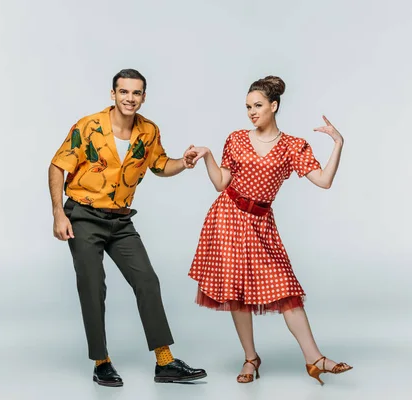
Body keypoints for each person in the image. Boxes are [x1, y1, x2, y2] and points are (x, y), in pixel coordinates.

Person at [186, 75, 352, 385]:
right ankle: (251, 358)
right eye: (248, 106)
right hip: (227, 217)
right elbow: (221, 183)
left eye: (258, 105)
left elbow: (324, 181)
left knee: (287, 290)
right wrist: (208, 155)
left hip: (261, 224)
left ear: (274, 106)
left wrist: (339, 143)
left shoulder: (292, 146)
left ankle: (315, 359)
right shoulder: (235, 138)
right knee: (235, 293)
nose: (251, 112)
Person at [48, 69, 206, 387]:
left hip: (120, 220)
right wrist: (58, 214)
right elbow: (57, 165)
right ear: (113, 94)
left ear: (143, 97)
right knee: (93, 285)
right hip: (83, 215)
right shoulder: (88, 126)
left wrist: (184, 162)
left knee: (146, 279)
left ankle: (165, 362)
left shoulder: (148, 131)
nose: (129, 98)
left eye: (136, 93)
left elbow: (161, 165)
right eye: (124, 92)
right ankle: (101, 362)